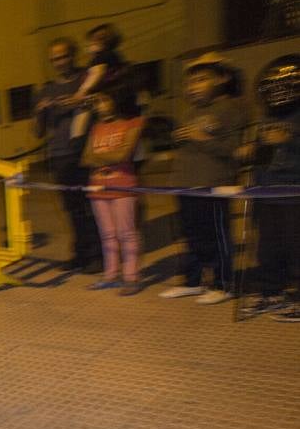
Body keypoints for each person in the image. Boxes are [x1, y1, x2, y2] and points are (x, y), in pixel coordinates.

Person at [159, 52, 250, 305]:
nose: (194, 87)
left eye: (201, 80)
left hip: (213, 185)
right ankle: (192, 282)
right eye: (191, 82)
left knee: (216, 236)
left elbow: (235, 151)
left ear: (222, 78)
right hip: (185, 184)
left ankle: (223, 284)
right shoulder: (190, 111)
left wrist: (203, 139)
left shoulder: (232, 108)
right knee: (189, 236)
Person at [240, 54, 300, 321]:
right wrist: (252, 151)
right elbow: (263, 155)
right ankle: (270, 292)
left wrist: (290, 139)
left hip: (294, 193)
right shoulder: (266, 117)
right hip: (267, 193)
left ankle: (296, 297)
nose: (278, 92)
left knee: (295, 247)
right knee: (267, 247)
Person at [35, 37, 101, 272]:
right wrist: (40, 112)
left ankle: (98, 256)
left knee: (91, 206)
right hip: (60, 155)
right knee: (71, 208)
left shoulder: (87, 79)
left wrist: (79, 100)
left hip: (86, 152)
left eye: (63, 56)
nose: (59, 62)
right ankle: (80, 254)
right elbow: (37, 133)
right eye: (54, 59)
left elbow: (103, 105)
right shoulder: (47, 90)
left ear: (72, 55)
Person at [80, 92, 145, 296]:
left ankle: (131, 277)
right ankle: (110, 275)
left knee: (126, 233)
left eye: (105, 100)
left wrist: (98, 157)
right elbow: (84, 159)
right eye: (97, 102)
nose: (100, 106)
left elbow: (123, 155)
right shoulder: (95, 128)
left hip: (122, 187)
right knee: (107, 234)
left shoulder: (132, 124)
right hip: (98, 187)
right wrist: (109, 158)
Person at [68, 23, 128, 140]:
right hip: (105, 97)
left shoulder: (103, 56)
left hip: (107, 96)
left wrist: (81, 93)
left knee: (83, 112)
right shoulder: (113, 57)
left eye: (100, 38)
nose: (92, 44)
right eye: (93, 39)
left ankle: (77, 138)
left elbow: (96, 74)